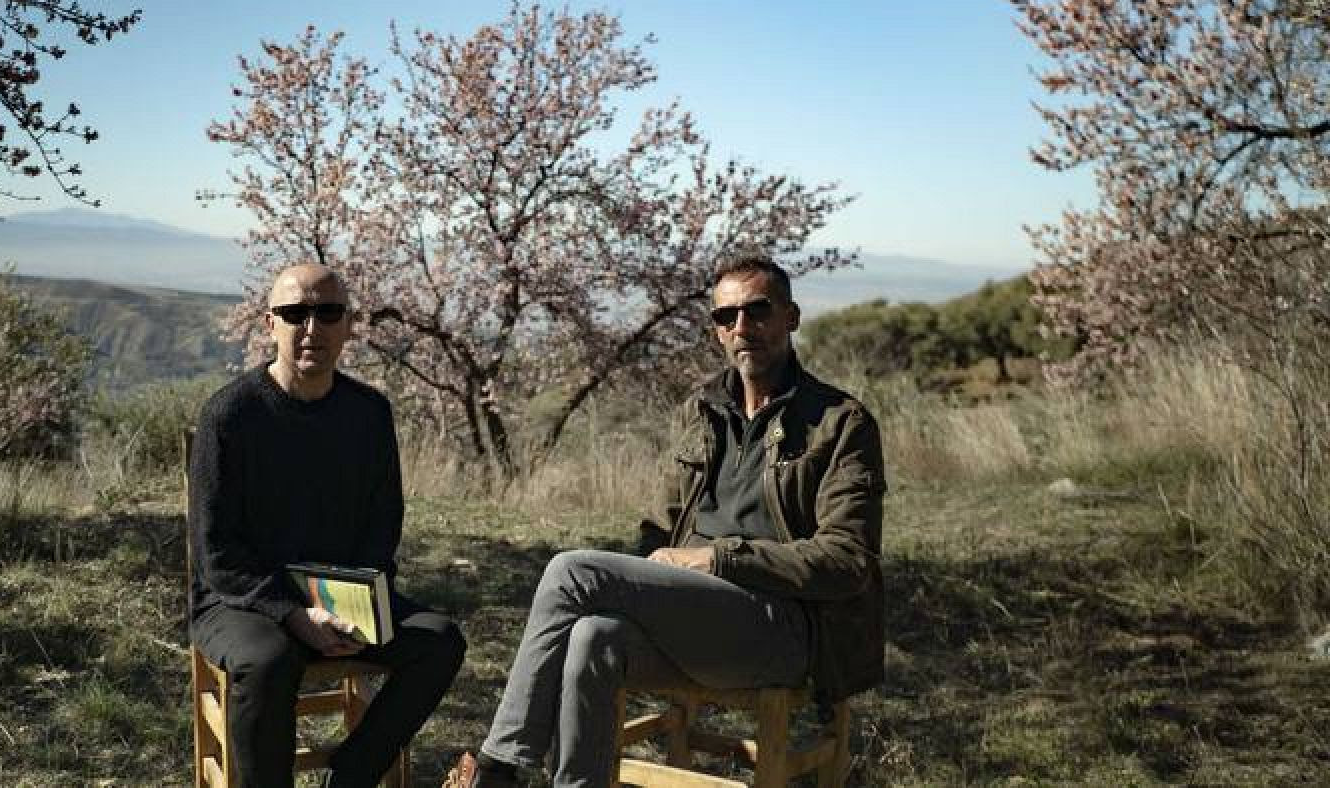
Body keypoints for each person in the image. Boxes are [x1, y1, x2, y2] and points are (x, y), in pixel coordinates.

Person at [446, 256, 887, 788]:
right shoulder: (700, 410)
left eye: (758, 310)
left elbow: (847, 562)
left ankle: (496, 771)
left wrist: (719, 558)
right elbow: (660, 530)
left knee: (572, 571)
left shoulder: (840, 423)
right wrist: (651, 585)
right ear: (716, 330)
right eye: (727, 317)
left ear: (791, 317)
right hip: (698, 616)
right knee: (592, 635)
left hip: (786, 630)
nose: (742, 328)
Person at [188, 262, 466, 788]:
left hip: (339, 600)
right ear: (270, 324)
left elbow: (382, 528)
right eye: (295, 313)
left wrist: (350, 607)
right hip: (243, 601)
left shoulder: (369, 413)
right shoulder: (230, 415)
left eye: (327, 313)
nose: (311, 327)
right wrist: (292, 614)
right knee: (268, 661)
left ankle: (351, 776)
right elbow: (216, 552)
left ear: (348, 326)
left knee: (440, 641)